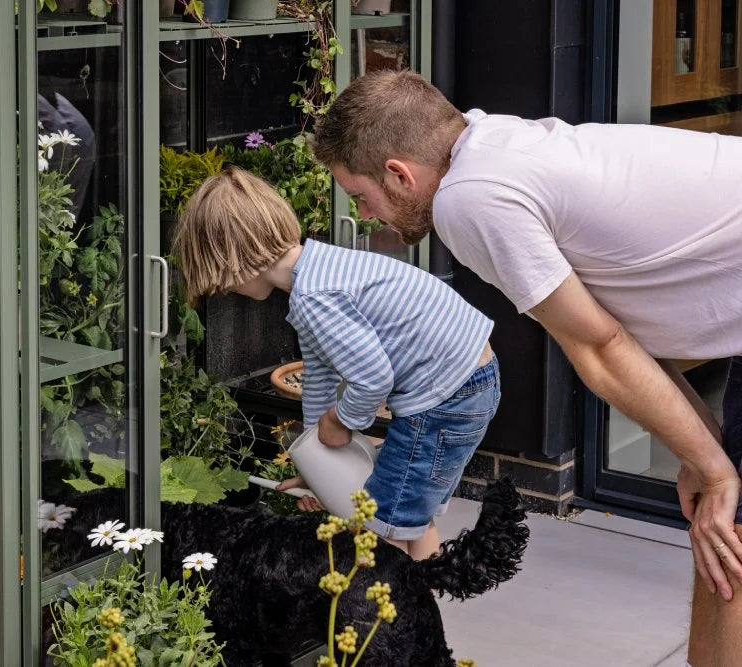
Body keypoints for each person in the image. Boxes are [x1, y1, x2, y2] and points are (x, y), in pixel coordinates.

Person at [313, 68, 742, 666]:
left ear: (399, 173)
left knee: (728, 546)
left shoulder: (470, 200)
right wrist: (706, 449)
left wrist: (715, 470)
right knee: (727, 539)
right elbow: (620, 328)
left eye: (361, 195)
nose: (365, 213)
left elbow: (599, 348)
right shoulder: (496, 144)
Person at [173, 166, 499, 559]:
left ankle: (380, 617)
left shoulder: (314, 298)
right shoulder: (320, 272)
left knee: (377, 532)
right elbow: (320, 380)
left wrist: (337, 421)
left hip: (445, 395)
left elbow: (372, 379)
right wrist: (317, 470)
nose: (225, 291)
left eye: (221, 279)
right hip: (464, 384)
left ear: (235, 257)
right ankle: (416, 611)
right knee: (408, 515)